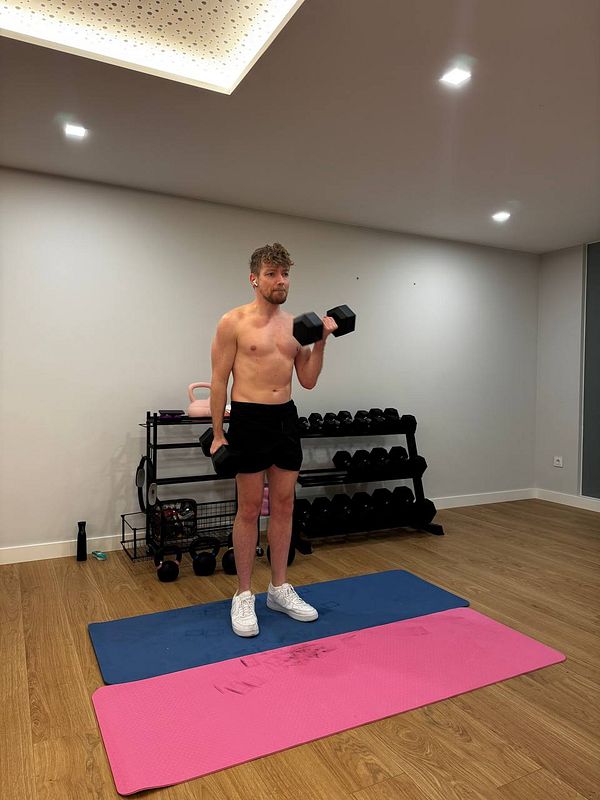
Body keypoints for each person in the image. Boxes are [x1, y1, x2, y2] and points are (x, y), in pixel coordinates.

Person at [209, 242, 337, 637]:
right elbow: (218, 380)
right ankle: (243, 593)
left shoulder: (297, 325)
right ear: (254, 279)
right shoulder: (233, 321)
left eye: (284, 274)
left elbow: (309, 381)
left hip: (285, 419)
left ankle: (279, 588)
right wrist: (217, 435)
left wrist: (321, 341)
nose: (280, 281)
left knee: (283, 505)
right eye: (271, 274)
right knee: (249, 509)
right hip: (248, 419)